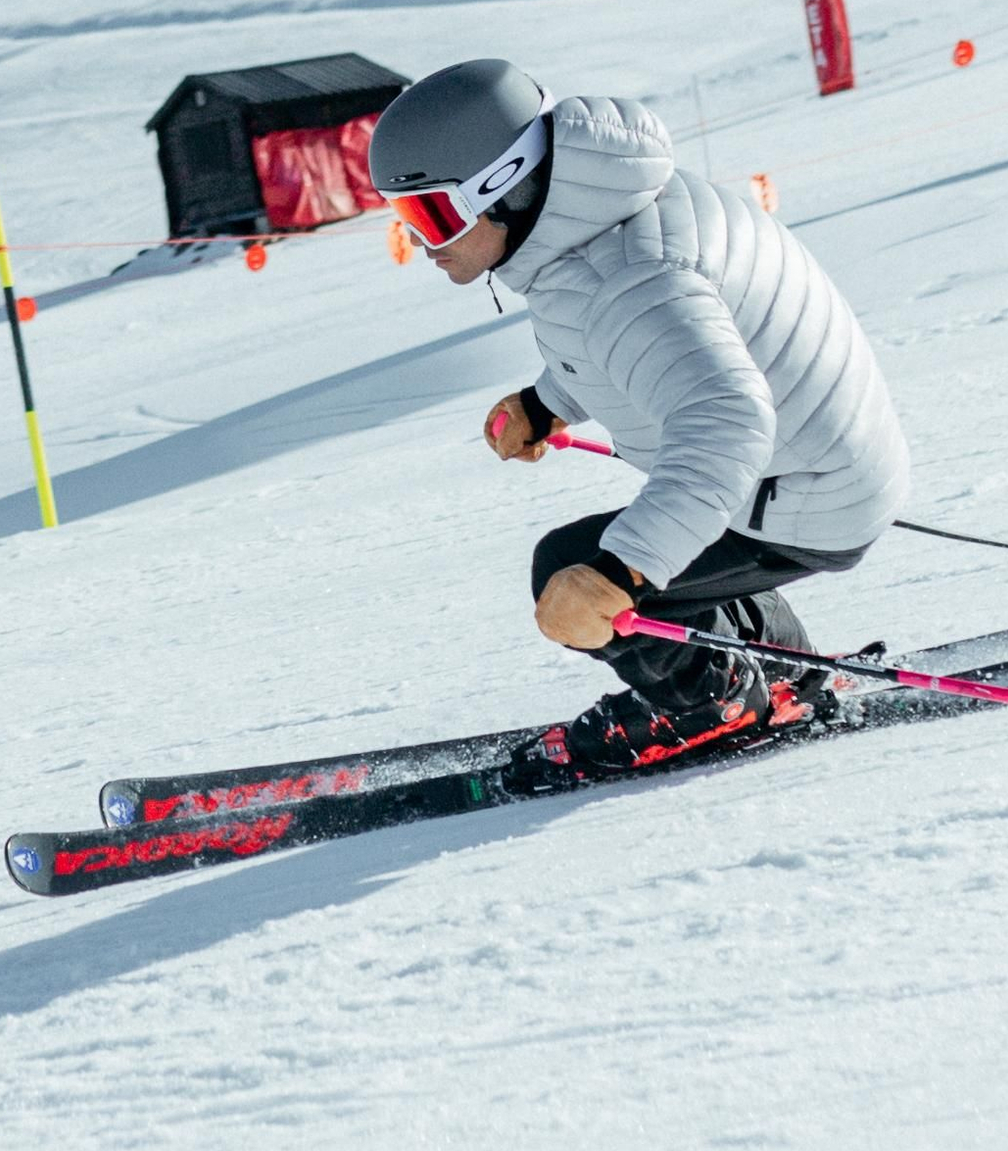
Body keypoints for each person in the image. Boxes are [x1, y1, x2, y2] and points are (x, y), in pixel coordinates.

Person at [369, 59, 909, 773]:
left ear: (504, 185)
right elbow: (633, 349)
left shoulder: (630, 279)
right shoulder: (604, 218)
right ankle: (781, 675)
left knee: (571, 569)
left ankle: (711, 706)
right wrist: (546, 403)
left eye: (432, 214)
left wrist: (622, 574)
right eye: (407, 220)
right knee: (639, 553)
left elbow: (725, 425)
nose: (425, 245)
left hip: (808, 490)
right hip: (829, 466)